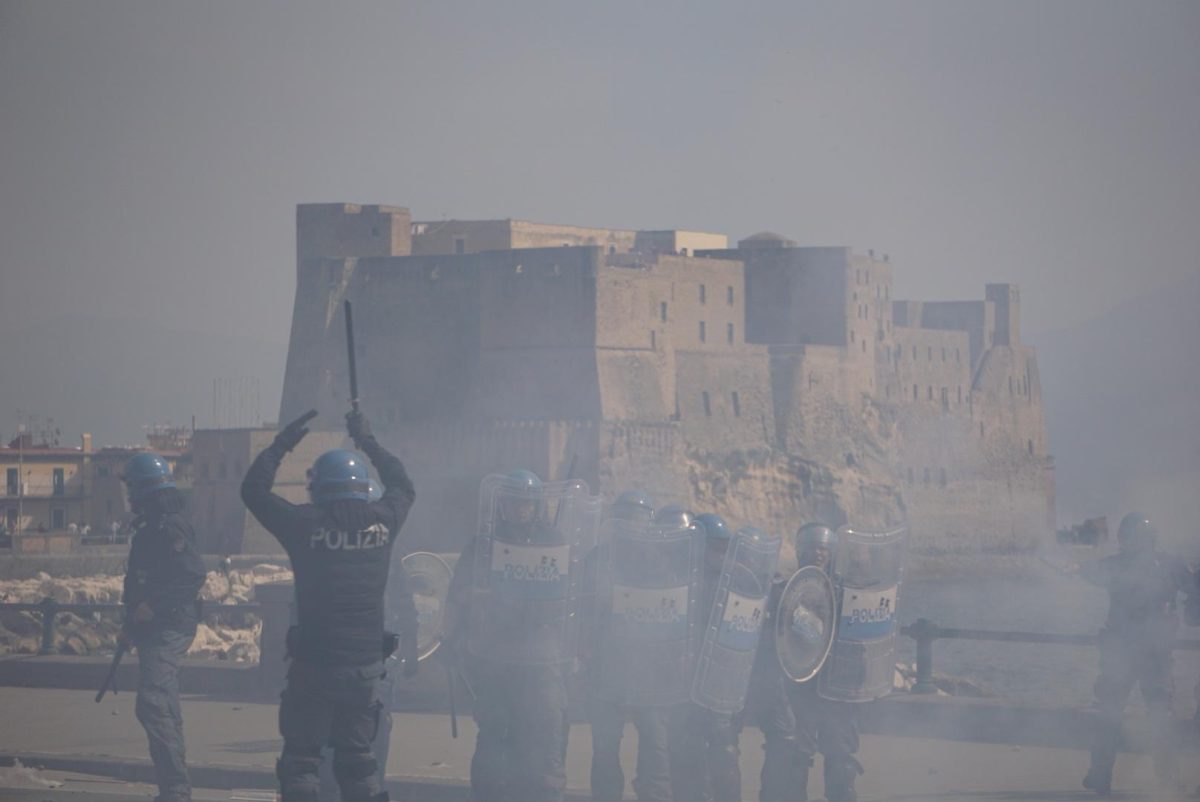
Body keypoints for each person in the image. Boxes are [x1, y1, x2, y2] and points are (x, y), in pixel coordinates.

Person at [241, 410, 415, 802]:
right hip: (365, 668)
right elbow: (403, 485)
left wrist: (282, 444)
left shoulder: (304, 524)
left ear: (318, 488)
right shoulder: (384, 521)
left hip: (316, 666)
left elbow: (253, 491)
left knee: (302, 762)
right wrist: (367, 440)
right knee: (359, 762)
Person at [444, 470, 588, 802]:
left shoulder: (554, 542)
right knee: (494, 737)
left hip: (543, 659)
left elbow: (575, 599)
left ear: (536, 506)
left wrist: (574, 645)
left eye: (526, 504)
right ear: (502, 505)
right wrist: (460, 620)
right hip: (495, 658)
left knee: (545, 739)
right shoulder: (484, 545)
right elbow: (457, 595)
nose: (519, 510)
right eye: (513, 503)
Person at [1075, 512, 1193, 796]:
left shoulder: (1116, 565)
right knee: (1159, 714)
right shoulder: (1171, 565)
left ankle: (1101, 773)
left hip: (1123, 651)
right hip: (1154, 653)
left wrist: (1070, 566)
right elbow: (1194, 587)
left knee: (1110, 712)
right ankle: (1167, 778)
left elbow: (1085, 571)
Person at [747, 522, 861, 802]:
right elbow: (774, 639)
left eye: (823, 548)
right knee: (796, 756)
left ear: (831, 552)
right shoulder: (785, 590)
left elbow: (856, 638)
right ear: (800, 551)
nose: (817, 554)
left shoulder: (844, 593)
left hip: (835, 686)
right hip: (799, 686)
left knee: (841, 756)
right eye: (811, 548)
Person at [119, 452, 206, 802]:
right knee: (161, 706)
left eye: (133, 488)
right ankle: (173, 789)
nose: (130, 496)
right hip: (153, 627)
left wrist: (151, 607)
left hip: (169, 626)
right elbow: (139, 582)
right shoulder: (150, 527)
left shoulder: (169, 526)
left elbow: (191, 575)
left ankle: (176, 791)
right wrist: (130, 623)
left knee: (154, 703)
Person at [587, 490, 681, 802]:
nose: (631, 524)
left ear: (648, 522)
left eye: (637, 518)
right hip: (607, 664)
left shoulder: (660, 562)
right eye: (625, 517)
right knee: (605, 745)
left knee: (656, 743)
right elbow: (582, 607)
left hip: (649, 666)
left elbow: (674, 610)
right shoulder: (599, 559)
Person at [668, 511, 745, 802]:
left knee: (724, 748)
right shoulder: (680, 580)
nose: (720, 554)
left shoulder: (736, 582)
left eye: (724, 547)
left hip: (721, 679)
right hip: (685, 679)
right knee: (687, 747)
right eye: (715, 546)